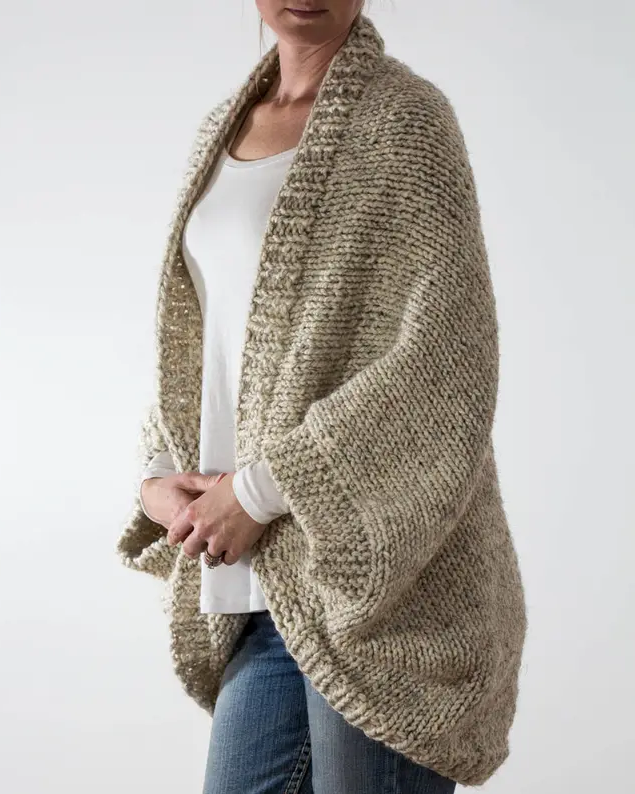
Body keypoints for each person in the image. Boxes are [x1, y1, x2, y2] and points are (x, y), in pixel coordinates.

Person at [116, 3, 528, 793]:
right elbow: (201, 340)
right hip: (260, 590)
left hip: (383, 599)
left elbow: (446, 362)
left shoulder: (406, 122)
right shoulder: (219, 130)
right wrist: (159, 473)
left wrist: (260, 491)